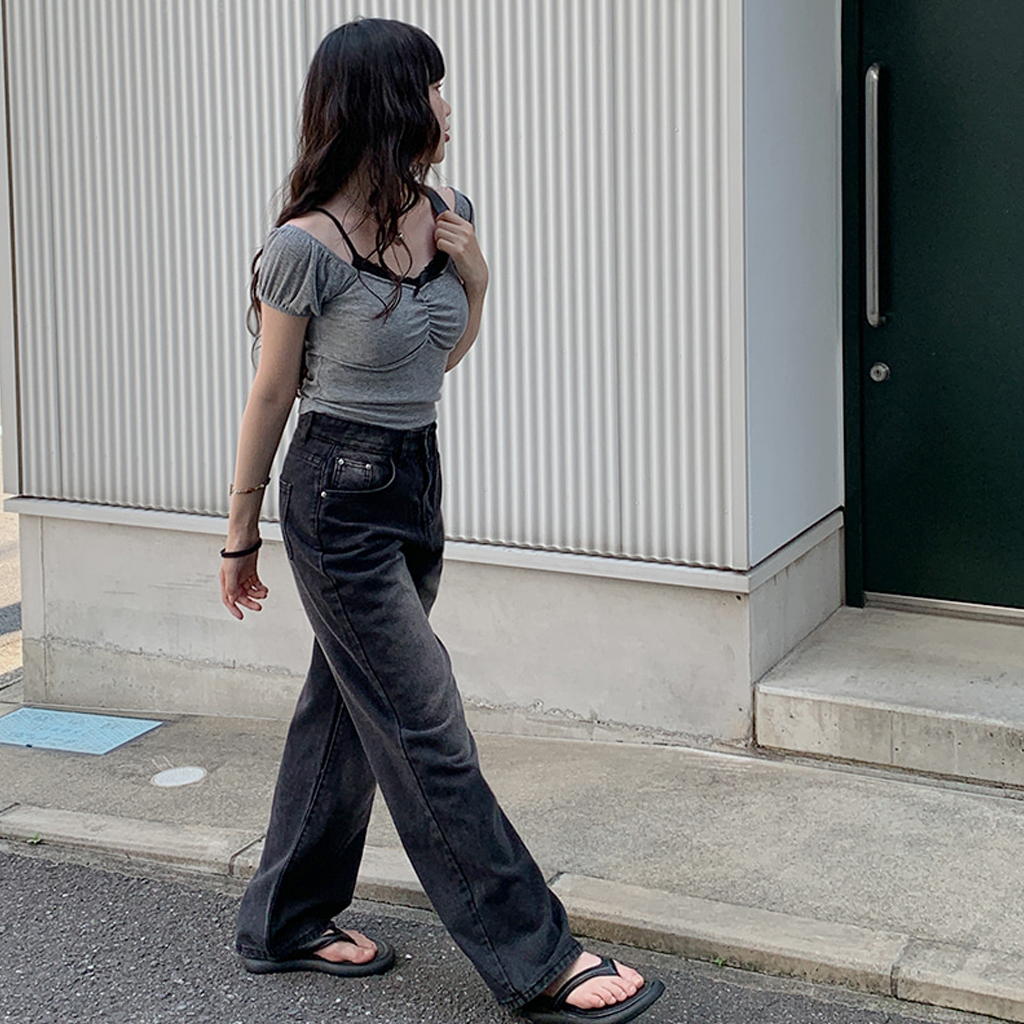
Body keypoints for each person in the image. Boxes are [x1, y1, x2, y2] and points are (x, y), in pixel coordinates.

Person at [219, 18, 664, 1024]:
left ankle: (284, 920)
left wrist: (478, 280)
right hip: (335, 496)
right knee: (425, 724)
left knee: (345, 707)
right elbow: (272, 393)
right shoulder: (305, 246)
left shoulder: (449, 213)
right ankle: (535, 954)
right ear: (385, 105)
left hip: (415, 483)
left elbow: (432, 360)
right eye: (430, 90)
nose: (446, 107)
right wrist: (240, 536)